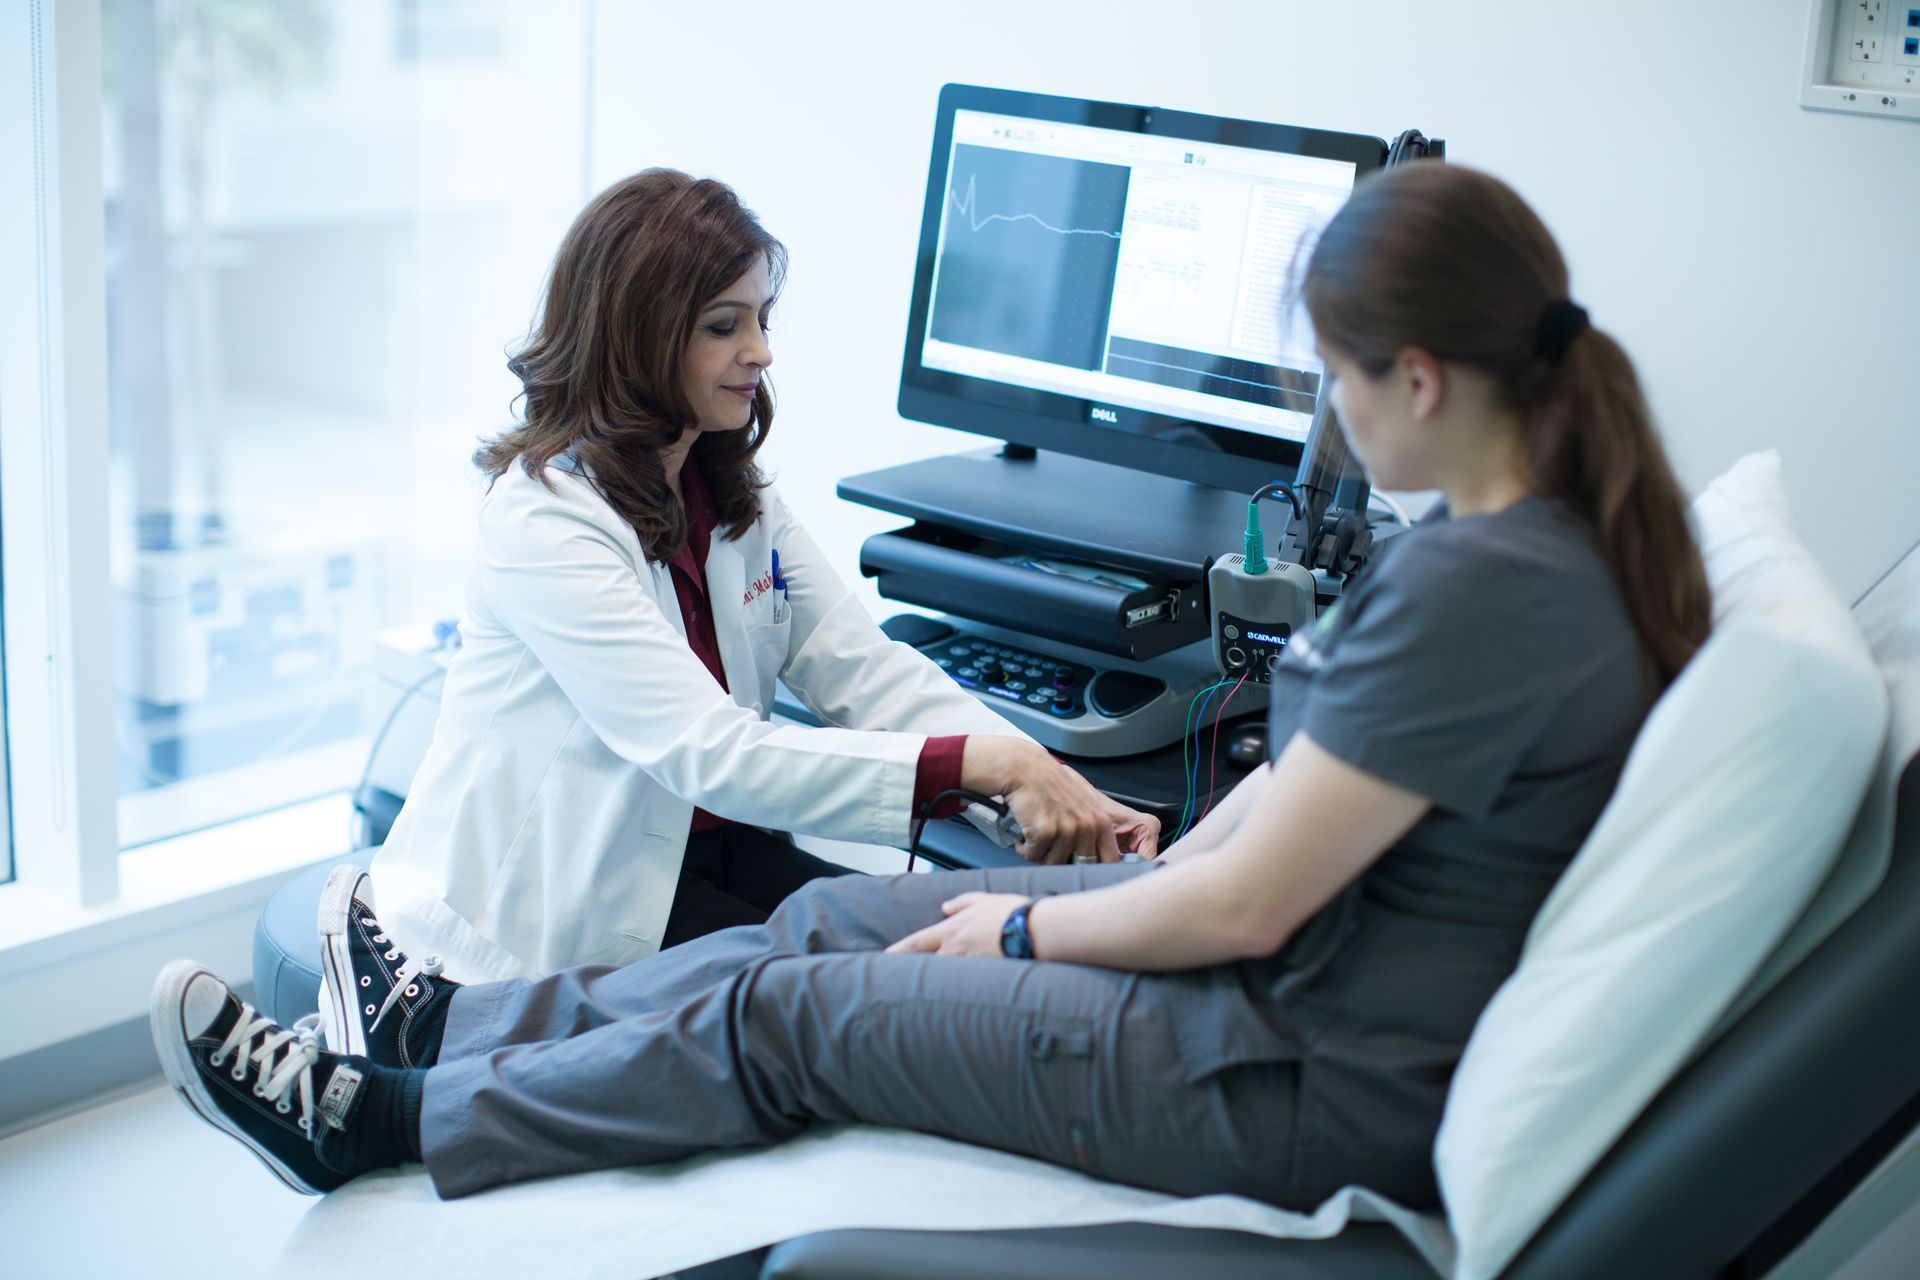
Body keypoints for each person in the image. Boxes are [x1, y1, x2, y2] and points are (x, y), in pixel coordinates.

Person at [151, 163, 1711, 1211]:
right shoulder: (1519, 563)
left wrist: (1035, 912)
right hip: (1266, 999)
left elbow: (1238, 901)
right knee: (823, 921)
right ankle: (446, 1038)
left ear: (1418, 380)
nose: (1327, 421)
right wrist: (1086, 833)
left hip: (1286, 1060)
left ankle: (381, 1127)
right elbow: (1256, 844)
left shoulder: (1480, 588)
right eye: (729, 324)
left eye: (1331, 380)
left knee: (793, 1012)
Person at [368, 169, 1157, 990]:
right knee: (902, 987)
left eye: (761, 319)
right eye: (724, 326)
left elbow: (865, 672)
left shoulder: (731, 494)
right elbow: (712, 754)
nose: (761, 352)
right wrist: (987, 769)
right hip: (553, 912)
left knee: (946, 944)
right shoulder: (545, 518)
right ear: (637, 337)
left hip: (707, 848)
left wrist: (1056, 789)